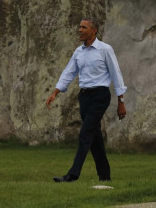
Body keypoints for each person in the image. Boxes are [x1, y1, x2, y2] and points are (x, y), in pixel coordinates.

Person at [46, 18, 127, 183]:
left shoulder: (105, 50)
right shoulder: (78, 52)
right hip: (84, 97)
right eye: (79, 27)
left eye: (84, 27)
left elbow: (116, 74)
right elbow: (69, 72)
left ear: (94, 30)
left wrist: (121, 101)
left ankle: (72, 175)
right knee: (94, 137)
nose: (80, 30)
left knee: (84, 134)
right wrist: (55, 92)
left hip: (100, 96)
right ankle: (105, 176)